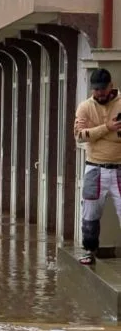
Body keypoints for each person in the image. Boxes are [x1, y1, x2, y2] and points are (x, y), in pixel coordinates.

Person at [73, 67, 121, 264]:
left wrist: (95, 133)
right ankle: (89, 250)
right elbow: (79, 135)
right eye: (96, 89)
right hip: (94, 167)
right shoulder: (85, 107)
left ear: (111, 86)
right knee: (90, 212)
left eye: (103, 89)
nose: (99, 93)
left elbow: (88, 134)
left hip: (119, 166)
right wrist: (107, 128)